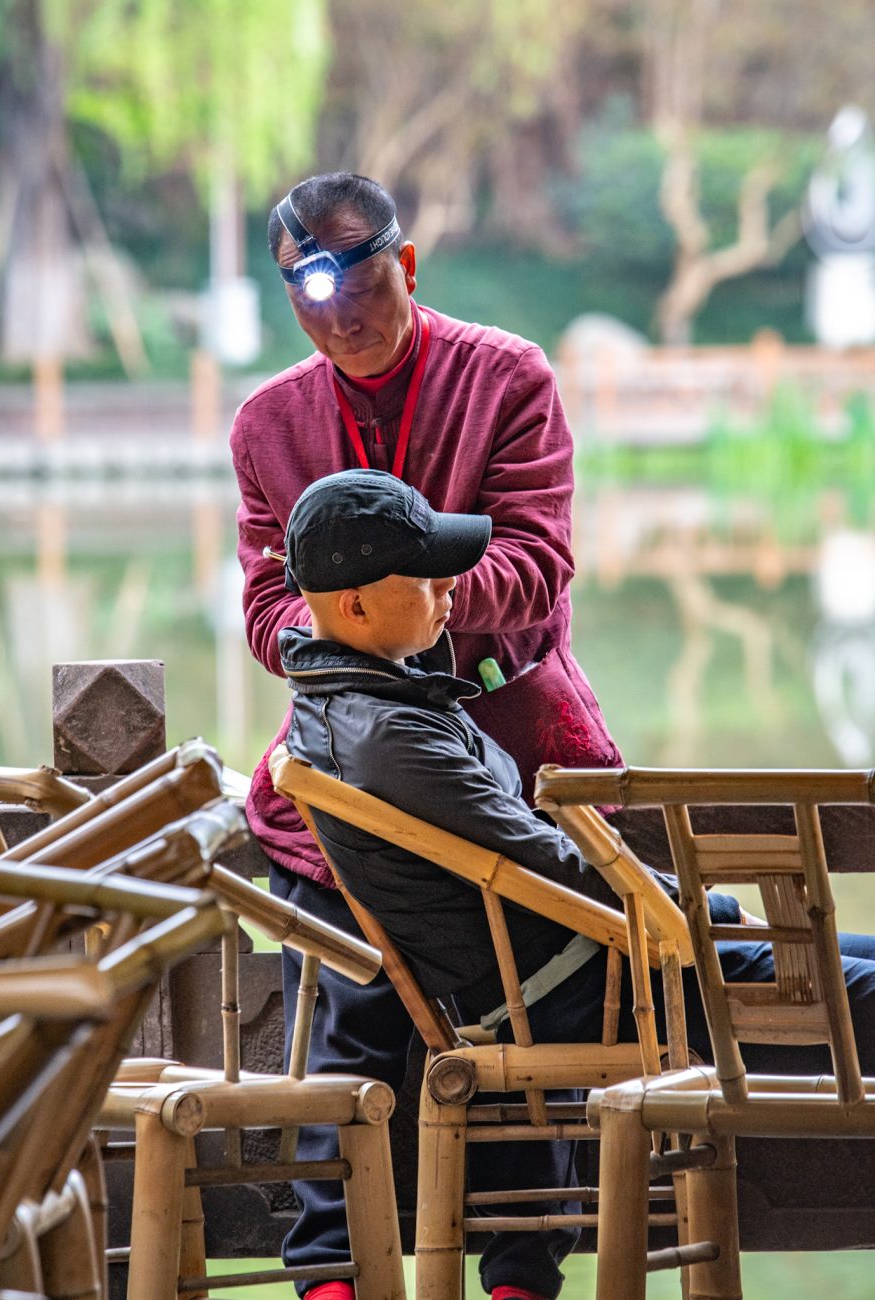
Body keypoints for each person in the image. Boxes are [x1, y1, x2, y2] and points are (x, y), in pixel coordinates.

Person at [276, 468, 875, 1300]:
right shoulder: (385, 737)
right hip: (600, 978)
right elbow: (545, 857)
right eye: (426, 578)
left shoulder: (351, 700)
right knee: (866, 986)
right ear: (354, 606)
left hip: (580, 964)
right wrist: (701, 906)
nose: (451, 590)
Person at [229, 171, 622, 1299]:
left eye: (357, 276)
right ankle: (331, 1271)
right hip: (350, 755)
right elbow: (267, 612)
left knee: (527, 995)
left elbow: (535, 570)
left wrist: (387, 598)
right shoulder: (266, 424)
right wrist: (358, 646)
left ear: (406, 266)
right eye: (307, 289)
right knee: (353, 1000)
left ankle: (516, 1270)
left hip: (512, 732)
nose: (338, 310)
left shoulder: (507, 376)